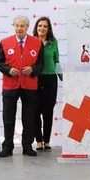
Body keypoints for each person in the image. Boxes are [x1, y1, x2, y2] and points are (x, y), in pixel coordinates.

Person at [0, 15, 42, 157]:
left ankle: (27, 146)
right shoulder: (5, 42)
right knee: (8, 116)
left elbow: (41, 65)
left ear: (27, 27)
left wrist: (33, 69)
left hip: (29, 85)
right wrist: (8, 70)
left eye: (22, 26)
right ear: (13, 26)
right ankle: (7, 147)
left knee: (29, 117)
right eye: (17, 25)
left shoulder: (37, 43)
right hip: (10, 85)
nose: (19, 28)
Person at [33, 17, 61, 152]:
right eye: (39, 26)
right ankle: (38, 140)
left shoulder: (53, 42)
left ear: (48, 28)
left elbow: (57, 60)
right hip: (35, 78)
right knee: (35, 111)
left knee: (48, 111)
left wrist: (63, 78)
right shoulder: (31, 42)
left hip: (50, 79)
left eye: (45, 26)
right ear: (36, 28)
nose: (42, 28)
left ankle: (47, 140)